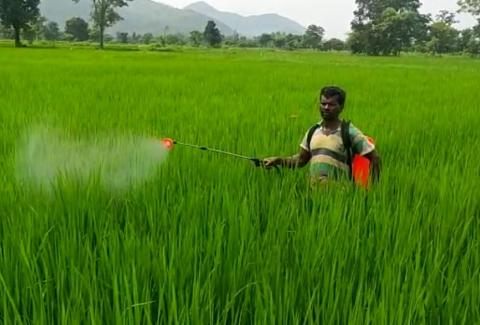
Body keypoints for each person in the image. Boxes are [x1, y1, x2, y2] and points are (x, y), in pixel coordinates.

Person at [263, 86, 381, 186]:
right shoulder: (312, 131)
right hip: (314, 196)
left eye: (331, 104)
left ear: (341, 107)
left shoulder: (349, 132)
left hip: (341, 198)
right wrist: (278, 160)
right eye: (323, 103)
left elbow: (374, 157)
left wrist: (373, 189)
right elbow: (300, 160)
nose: (326, 107)